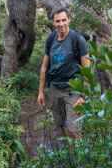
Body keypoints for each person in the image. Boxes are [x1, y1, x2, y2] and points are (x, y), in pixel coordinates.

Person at [37, 8, 90, 140]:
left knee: (73, 129)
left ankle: (81, 157)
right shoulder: (51, 39)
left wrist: (84, 96)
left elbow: (87, 70)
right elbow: (44, 67)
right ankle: (67, 157)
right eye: (57, 21)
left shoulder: (77, 39)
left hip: (73, 90)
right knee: (59, 126)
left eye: (63, 20)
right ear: (53, 23)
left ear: (69, 20)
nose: (61, 24)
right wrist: (41, 91)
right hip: (55, 89)